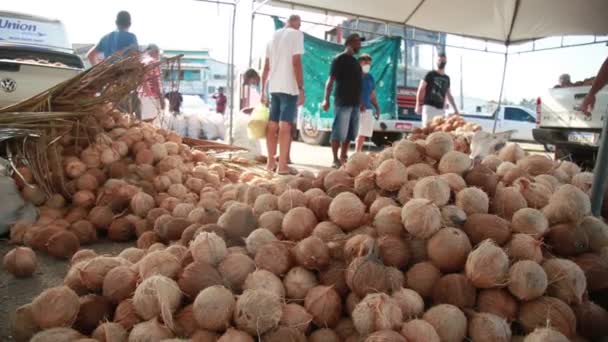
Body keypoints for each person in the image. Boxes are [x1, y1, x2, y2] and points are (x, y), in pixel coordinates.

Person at [261, 15, 305, 174]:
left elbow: (265, 67)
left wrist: (262, 91)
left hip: (274, 87)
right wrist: (300, 88)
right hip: (289, 87)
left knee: (272, 125)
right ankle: (282, 166)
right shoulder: (297, 34)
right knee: (285, 125)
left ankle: (270, 162)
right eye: (299, 25)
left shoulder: (272, 38)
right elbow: (296, 62)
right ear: (296, 24)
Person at [322, 33, 364, 168]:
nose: (360, 45)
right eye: (358, 42)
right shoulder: (339, 59)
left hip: (355, 103)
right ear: (350, 42)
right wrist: (326, 99)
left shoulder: (356, 62)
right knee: (339, 132)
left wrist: (361, 101)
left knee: (350, 133)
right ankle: (335, 159)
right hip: (343, 102)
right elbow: (330, 81)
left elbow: (358, 83)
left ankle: (343, 157)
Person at [416, 52, 459, 126]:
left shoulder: (447, 78)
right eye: (439, 60)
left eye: (443, 61)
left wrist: (455, 109)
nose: (441, 62)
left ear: (446, 62)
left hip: (440, 109)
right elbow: (421, 89)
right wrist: (418, 105)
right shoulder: (430, 74)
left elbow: (449, 95)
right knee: (427, 129)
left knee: (438, 131)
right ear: (436, 61)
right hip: (429, 107)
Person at [355, 53, 380, 152]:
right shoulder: (354, 76)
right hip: (355, 108)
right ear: (359, 63)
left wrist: (377, 108)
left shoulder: (370, 78)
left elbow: (372, 95)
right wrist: (359, 103)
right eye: (365, 63)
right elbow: (351, 91)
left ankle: (357, 153)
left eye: (369, 64)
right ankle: (346, 155)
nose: (367, 66)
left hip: (368, 109)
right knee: (353, 132)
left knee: (363, 132)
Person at [138, 44, 164, 122]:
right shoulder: (153, 62)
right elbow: (155, 82)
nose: (158, 56)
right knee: (149, 124)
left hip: (141, 96)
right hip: (150, 97)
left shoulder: (142, 61)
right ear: (156, 52)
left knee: (143, 123)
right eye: (158, 54)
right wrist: (161, 98)